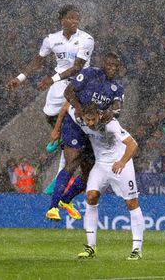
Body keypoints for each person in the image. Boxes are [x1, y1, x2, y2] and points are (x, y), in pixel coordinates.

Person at [5, 5, 94, 199]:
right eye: (70, 18)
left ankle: (62, 172)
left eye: (76, 18)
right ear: (61, 19)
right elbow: (37, 61)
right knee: (48, 113)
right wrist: (19, 79)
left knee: (69, 118)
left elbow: (77, 68)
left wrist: (51, 79)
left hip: (80, 83)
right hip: (59, 82)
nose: (74, 21)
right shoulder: (51, 40)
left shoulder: (86, 39)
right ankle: (62, 137)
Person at [58, 103, 144, 260]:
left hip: (120, 164)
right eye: (87, 120)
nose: (90, 123)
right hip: (101, 165)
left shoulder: (111, 124)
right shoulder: (81, 119)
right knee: (91, 197)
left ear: (98, 115)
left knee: (131, 203)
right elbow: (66, 106)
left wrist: (123, 162)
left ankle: (137, 249)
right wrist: (57, 130)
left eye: (93, 119)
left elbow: (133, 144)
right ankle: (91, 247)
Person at [45, 52, 124, 221]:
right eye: (110, 65)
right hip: (74, 124)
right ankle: (52, 208)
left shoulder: (117, 88)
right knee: (72, 162)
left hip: (93, 129)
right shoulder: (89, 74)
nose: (112, 69)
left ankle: (65, 201)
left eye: (116, 67)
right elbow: (68, 92)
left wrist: (112, 112)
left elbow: (118, 107)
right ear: (103, 63)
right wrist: (77, 109)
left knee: (89, 172)